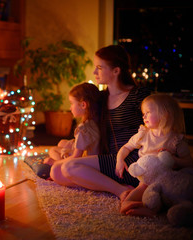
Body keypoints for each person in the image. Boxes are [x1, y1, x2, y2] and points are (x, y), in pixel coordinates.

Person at [48, 45, 150, 200]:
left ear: (116, 71)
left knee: (69, 166)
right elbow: (88, 127)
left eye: (99, 68)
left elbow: (157, 128)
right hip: (109, 160)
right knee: (56, 172)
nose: (95, 72)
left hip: (132, 161)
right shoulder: (101, 99)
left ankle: (121, 190)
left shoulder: (138, 95)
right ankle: (108, 184)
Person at [117, 93, 193, 216]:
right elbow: (126, 147)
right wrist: (120, 160)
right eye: (143, 113)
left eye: (148, 112)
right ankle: (129, 202)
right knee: (143, 187)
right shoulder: (143, 134)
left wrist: (173, 159)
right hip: (148, 177)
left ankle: (152, 208)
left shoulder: (176, 140)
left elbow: (189, 163)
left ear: (164, 114)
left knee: (169, 194)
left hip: (167, 178)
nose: (144, 116)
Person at [43, 82, 101, 166]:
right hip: (93, 157)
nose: (70, 108)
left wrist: (54, 162)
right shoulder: (95, 121)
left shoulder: (83, 128)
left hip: (85, 161)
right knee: (62, 143)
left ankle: (60, 164)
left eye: (72, 103)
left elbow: (76, 156)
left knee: (53, 150)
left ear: (83, 105)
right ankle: (63, 157)